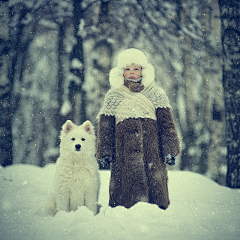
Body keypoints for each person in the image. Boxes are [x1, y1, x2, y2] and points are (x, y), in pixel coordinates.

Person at [96, 48, 180, 209]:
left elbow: (167, 124)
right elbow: (106, 128)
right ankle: (123, 216)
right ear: (121, 71)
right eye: (127, 69)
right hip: (123, 154)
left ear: (143, 70)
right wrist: (105, 151)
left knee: (155, 186)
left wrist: (170, 149)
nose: (132, 73)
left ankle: (157, 213)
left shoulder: (156, 94)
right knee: (123, 193)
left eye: (136, 69)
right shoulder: (113, 96)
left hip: (153, 153)